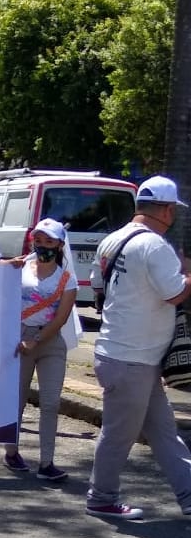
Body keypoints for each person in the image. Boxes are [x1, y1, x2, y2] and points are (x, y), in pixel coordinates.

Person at [84, 175, 191, 520]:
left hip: (127, 355)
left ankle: (189, 495)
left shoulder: (112, 240)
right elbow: (175, 293)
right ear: (165, 209)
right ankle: (101, 496)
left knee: (164, 433)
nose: (173, 215)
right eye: (173, 209)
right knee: (119, 435)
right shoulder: (155, 246)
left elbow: (98, 285)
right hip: (132, 359)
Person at [3, 218, 75, 481]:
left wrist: (38, 339)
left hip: (50, 341)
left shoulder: (66, 279)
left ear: (59, 245)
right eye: (39, 240)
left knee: (51, 402)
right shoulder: (21, 268)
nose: (43, 245)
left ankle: (47, 462)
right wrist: (6, 265)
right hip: (19, 337)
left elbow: (60, 318)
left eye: (49, 241)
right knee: (17, 399)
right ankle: (11, 451)